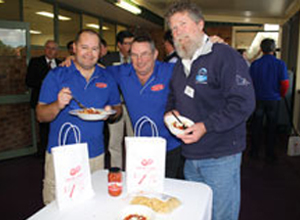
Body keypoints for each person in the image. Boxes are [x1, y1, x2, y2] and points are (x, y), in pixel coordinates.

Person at [164, 2, 255, 220]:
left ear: (200, 24)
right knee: (199, 213)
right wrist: (170, 114)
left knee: (221, 215)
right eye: (174, 29)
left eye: (183, 25)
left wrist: (206, 126)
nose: (178, 33)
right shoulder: (180, 64)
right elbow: (173, 98)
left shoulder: (224, 56)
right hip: (191, 156)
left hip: (220, 156)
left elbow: (243, 103)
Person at [36, 29, 122, 204]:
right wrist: (58, 104)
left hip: (95, 155)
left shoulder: (107, 77)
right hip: (60, 154)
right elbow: (41, 115)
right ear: (74, 48)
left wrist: (110, 112)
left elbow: (118, 109)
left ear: (101, 51)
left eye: (94, 49)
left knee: (92, 205)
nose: (89, 54)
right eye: (84, 47)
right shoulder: (56, 75)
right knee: (56, 206)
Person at [106, 35, 183, 178]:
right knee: (143, 191)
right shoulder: (123, 72)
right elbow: (97, 71)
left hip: (170, 147)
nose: (139, 60)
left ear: (155, 54)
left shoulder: (171, 70)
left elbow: (200, 68)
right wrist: (73, 60)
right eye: (134, 55)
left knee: (168, 191)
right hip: (141, 147)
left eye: (144, 54)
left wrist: (213, 47)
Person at [250, 38, 289, 162]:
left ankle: (254, 152)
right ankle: (270, 153)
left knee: (256, 125)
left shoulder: (255, 64)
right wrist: (281, 94)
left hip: (258, 99)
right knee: (271, 127)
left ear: (261, 49)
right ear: (273, 49)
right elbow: (285, 83)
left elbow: (249, 83)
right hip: (273, 99)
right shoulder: (280, 64)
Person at [101, 30, 135, 169]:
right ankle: (116, 171)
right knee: (115, 141)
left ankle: (134, 170)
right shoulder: (108, 60)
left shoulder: (138, 58)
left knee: (133, 141)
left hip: (133, 106)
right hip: (116, 105)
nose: (130, 47)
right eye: (126, 43)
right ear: (119, 45)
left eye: (132, 43)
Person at [26, 40, 61, 158]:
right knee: (44, 130)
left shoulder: (61, 64)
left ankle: (58, 153)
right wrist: (46, 84)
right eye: (48, 48)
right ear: (44, 49)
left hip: (58, 103)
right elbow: (29, 81)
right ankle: (45, 154)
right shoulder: (35, 62)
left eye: (53, 48)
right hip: (42, 102)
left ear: (57, 51)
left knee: (56, 128)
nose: (51, 51)